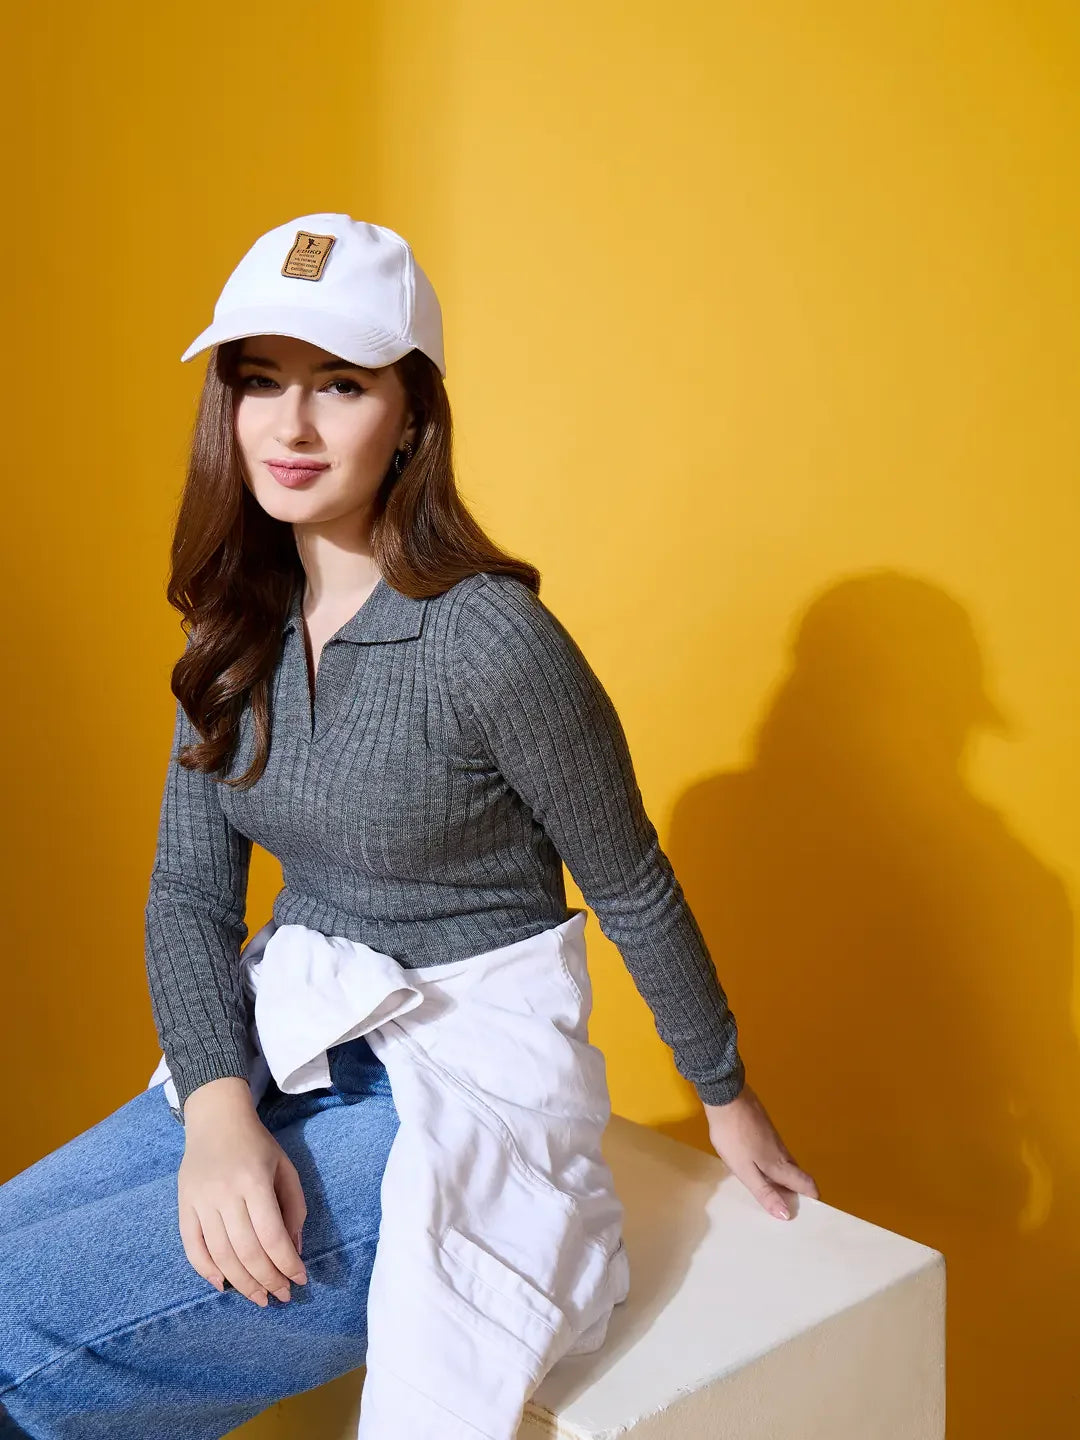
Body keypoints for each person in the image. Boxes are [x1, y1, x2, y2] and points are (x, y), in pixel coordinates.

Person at [0, 214, 819, 1439]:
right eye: (260, 380)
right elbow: (187, 897)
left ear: (412, 417)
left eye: (340, 384)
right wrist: (218, 1111)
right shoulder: (233, 629)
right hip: (294, 1043)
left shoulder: (492, 640)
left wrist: (726, 1095)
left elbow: (632, 882)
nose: (292, 425)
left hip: (463, 1091)